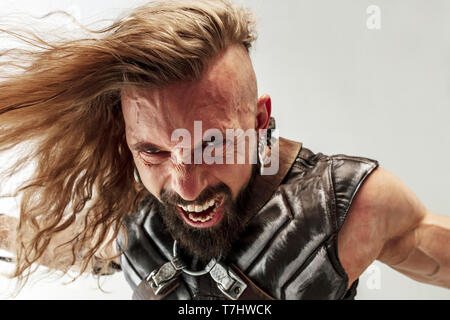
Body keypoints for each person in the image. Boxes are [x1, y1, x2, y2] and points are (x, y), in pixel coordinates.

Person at [0, 0, 449, 300]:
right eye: (153, 153)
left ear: (258, 122)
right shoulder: (128, 218)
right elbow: (43, 243)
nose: (187, 186)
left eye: (211, 144)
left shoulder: (346, 208)